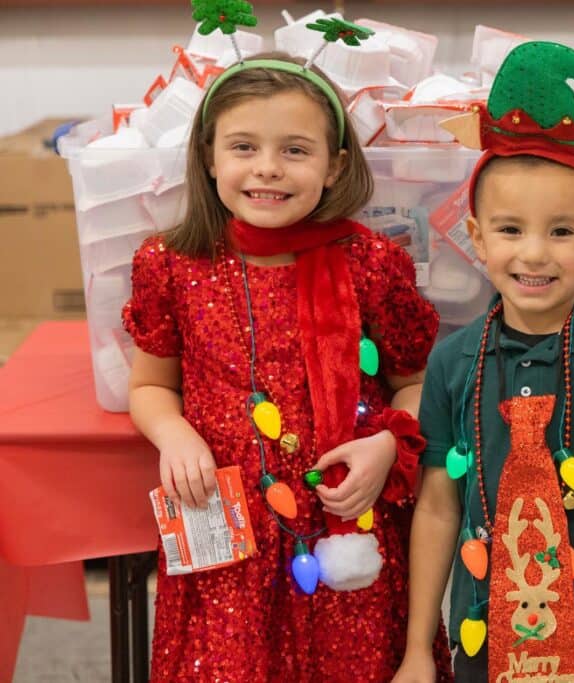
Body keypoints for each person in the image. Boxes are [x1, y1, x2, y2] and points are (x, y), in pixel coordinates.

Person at [123, 50, 451, 681]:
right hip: (229, 543)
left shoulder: (373, 264)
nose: (267, 168)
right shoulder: (171, 264)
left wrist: (390, 441)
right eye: (243, 147)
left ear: (335, 167)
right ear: (210, 158)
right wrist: (173, 433)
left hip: (349, 527)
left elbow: (415, 386)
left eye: (295, 150)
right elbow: (149, 385)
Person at [395, 41, 574, 683]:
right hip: (485, 629)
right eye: (509, 230)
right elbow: (440, 506)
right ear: (475, 237)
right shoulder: (452, 363)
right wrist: (420, 648)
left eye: (561, 231)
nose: (534, 254)